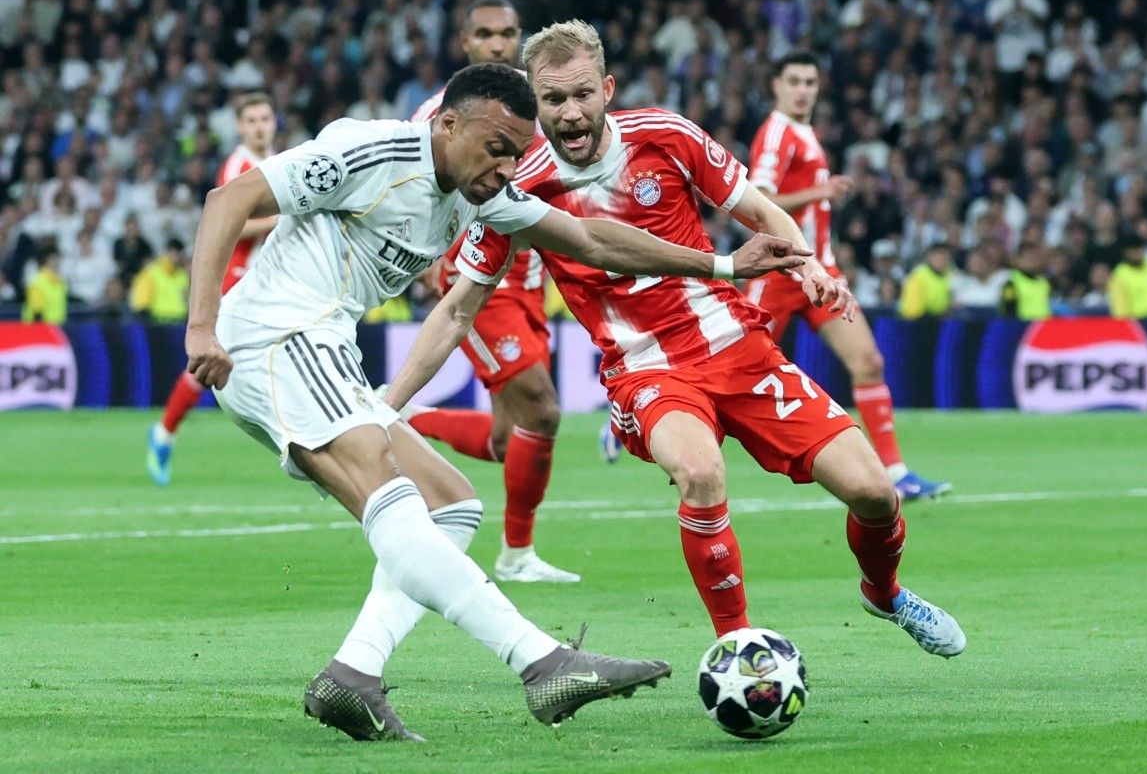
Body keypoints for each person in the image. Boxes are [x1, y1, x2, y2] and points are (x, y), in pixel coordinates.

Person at [185, 63, 803, 742]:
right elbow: (229, 198)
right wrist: (201, 327)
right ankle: (541, 662)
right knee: (386, 492)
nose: (508, 166)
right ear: (449, 124)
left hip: (318, 347)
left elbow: (593, 240)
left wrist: (721, 265)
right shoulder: (376, 150)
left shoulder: (481, 191)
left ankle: (353, 675)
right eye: (498, 147)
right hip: (277, 337)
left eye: (518, 152)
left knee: (451, 502)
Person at [372, 26, 965, 664]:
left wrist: (810, 268)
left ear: (606, 90)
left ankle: (885, 591)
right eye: (552, 101)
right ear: (536, 105)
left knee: (875, 493)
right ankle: (737, 647)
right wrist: (388, 405)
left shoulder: (667, 134)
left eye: (580, 95)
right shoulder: (520, 192)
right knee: (702, 472)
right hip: (646, 369)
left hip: (739, 347)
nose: (569, 113)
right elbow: (458, 308)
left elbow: (765, 213)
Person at [406, 0, 579, 583]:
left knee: (513, 439)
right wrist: (427, 258)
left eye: (508, 33)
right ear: (466, 44)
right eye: (485, 34)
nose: (499, 44)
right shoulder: (439, 112)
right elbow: (415, 189)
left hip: (529, 280)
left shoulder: (540, 113)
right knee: (544, 406)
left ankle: (411, 416)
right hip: (475, 278)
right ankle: (516, 554)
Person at [743, 50, 951, 500]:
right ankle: (655, 424)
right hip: (780, 271)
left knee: (869, 362)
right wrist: (821, 190)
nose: (802, 90)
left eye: (810, 82)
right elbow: (757, 200)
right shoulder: (777, 133)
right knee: (732, 366)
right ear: (776, 85)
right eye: (794, 81)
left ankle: (895, 473)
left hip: (819, 271)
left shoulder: (804, 132)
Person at [147, 93, 279, 486]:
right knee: (210, 363)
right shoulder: (237, 166)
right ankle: (165, 431)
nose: (259, 126)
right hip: (236, 276)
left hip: (268, 277)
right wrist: (279, 219)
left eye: (265, 118)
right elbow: (231, 224)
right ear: (240, 127)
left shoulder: (276, 160)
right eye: (252, 120)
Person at [129, 238, 189, 322]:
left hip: (180, 320)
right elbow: (140, 299)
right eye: (173, 252)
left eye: (178, 253)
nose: (176, 256)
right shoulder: (152, 272)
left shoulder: (183, 275)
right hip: (158, 321)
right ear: (167, 252)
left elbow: (186, 298)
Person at [898, 242, 954, 319]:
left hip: (940, 321)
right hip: (918, 323)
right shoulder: (918, 277)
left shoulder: (950, 275)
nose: (943, 261)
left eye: (946, 257)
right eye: (939, 257)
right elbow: (912, 312)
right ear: (929, 257)